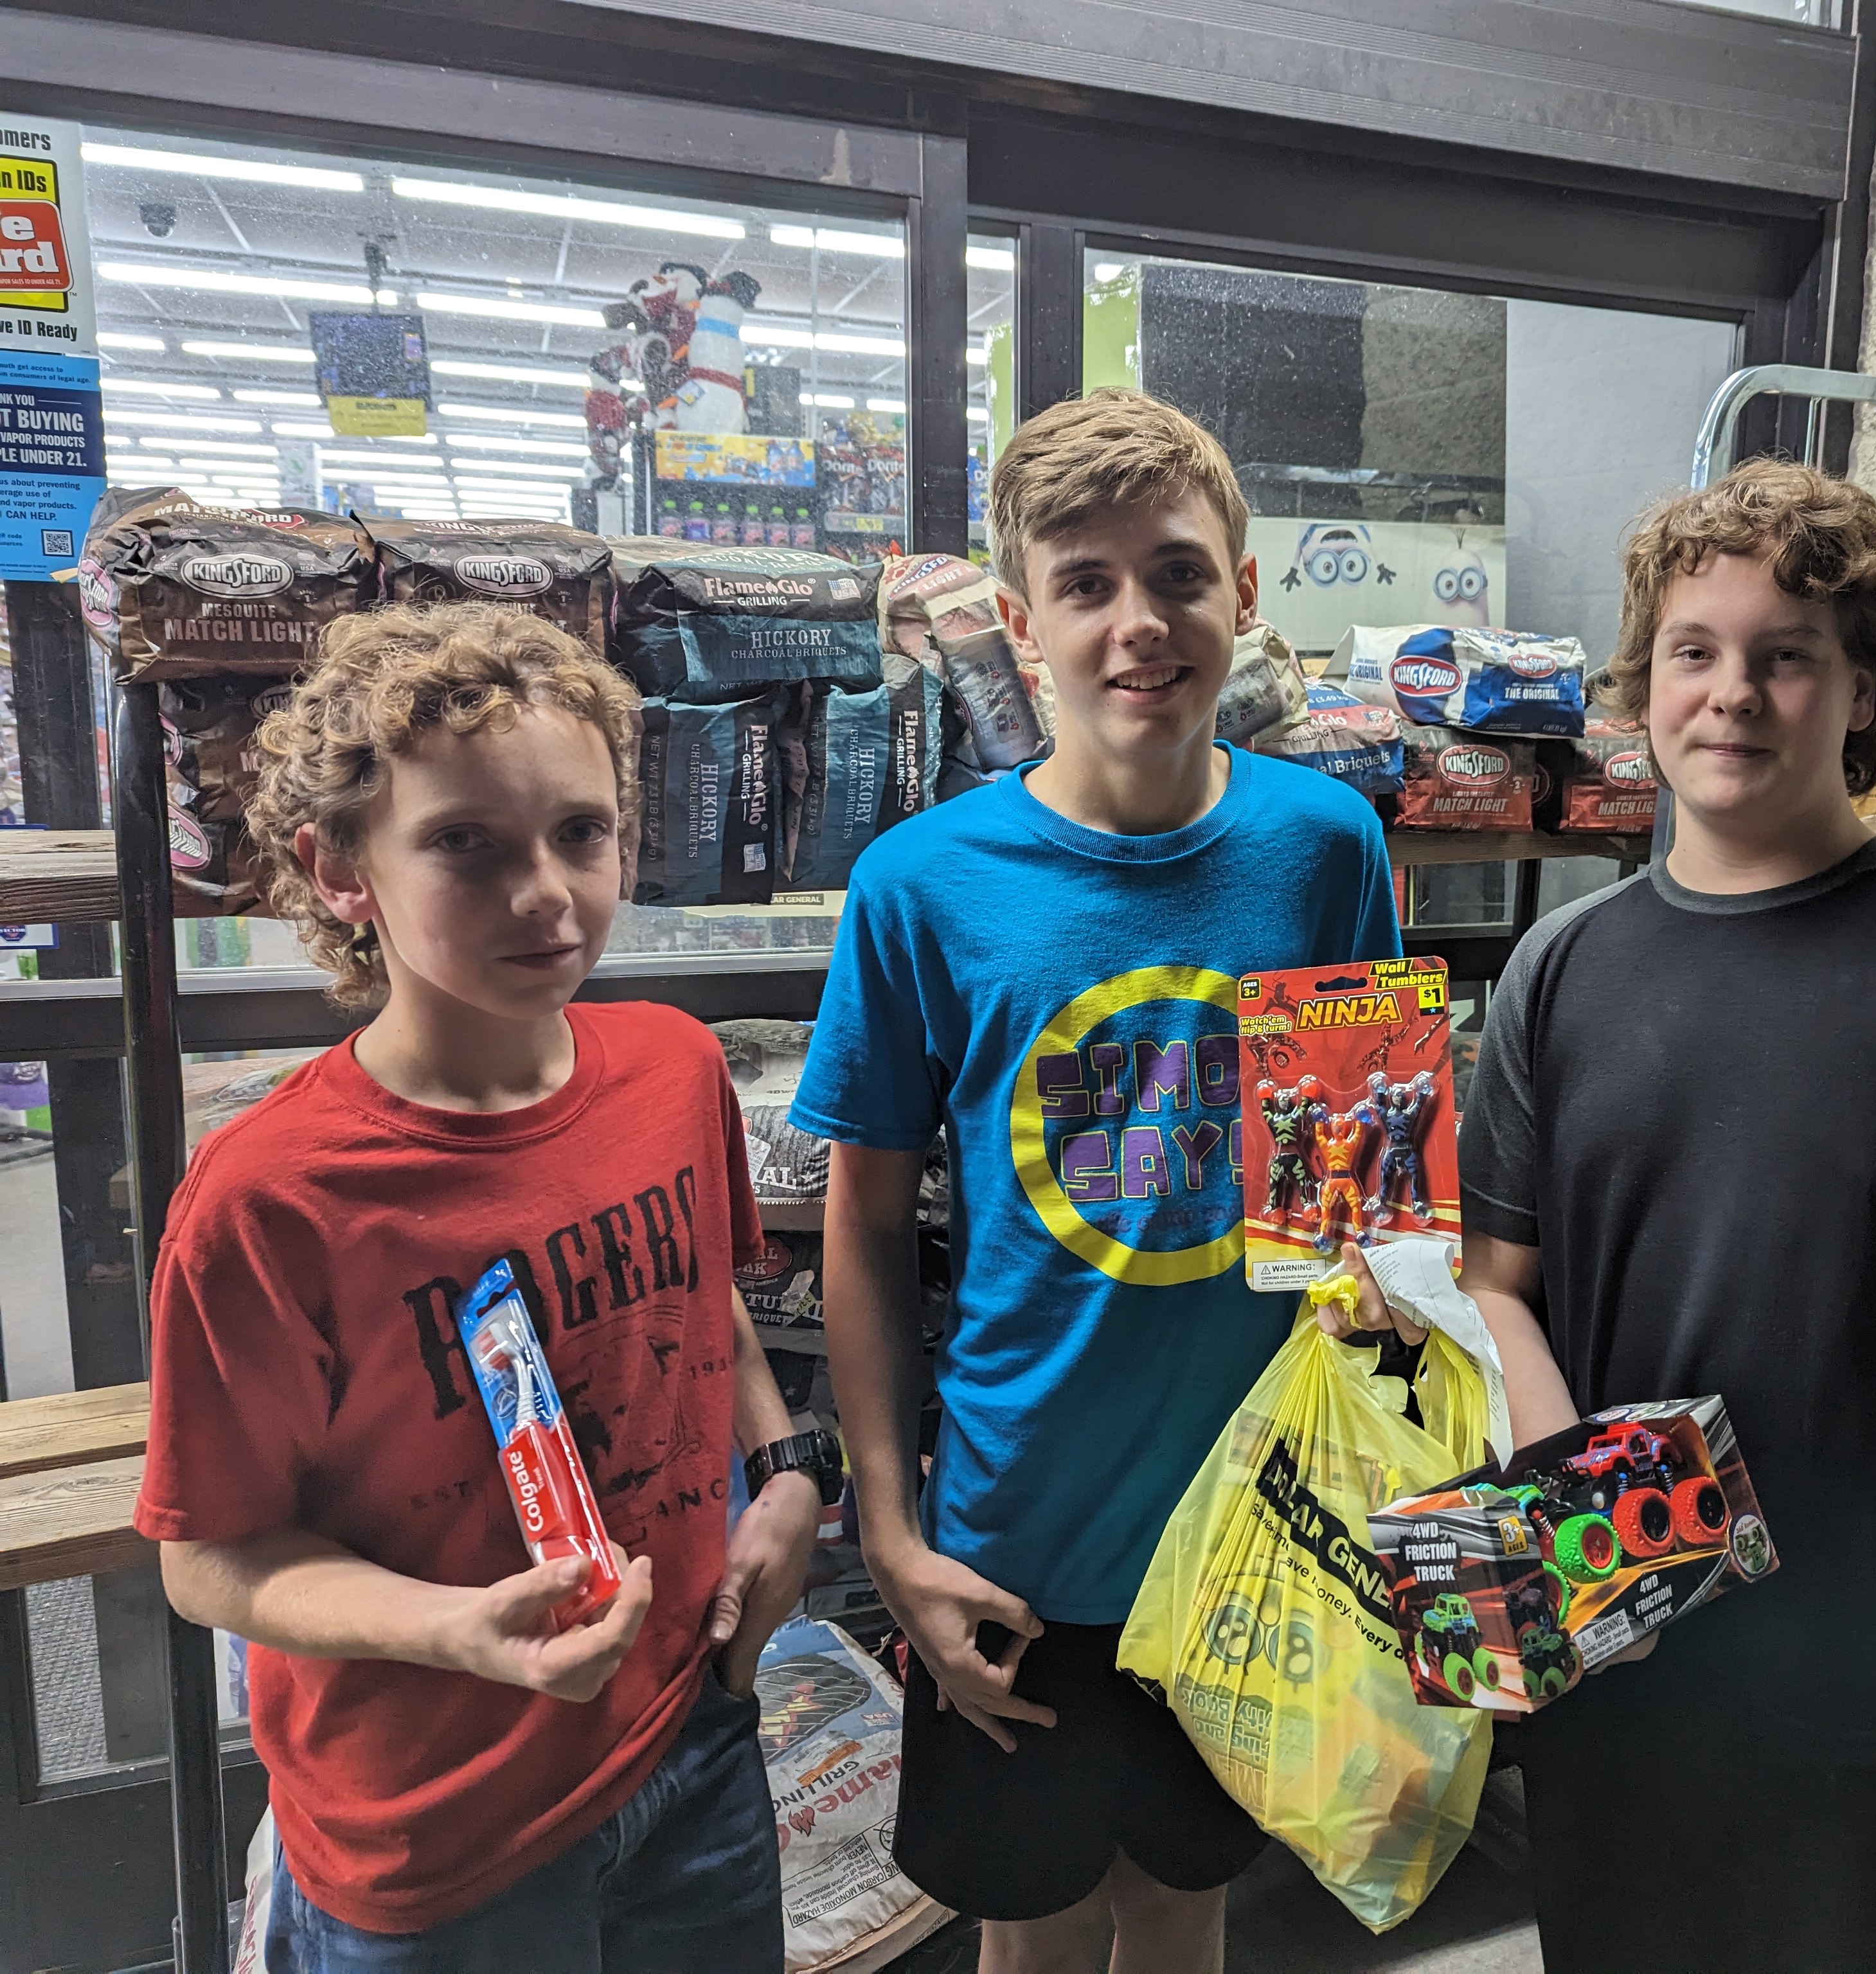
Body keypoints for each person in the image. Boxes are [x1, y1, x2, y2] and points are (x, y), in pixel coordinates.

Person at [1441, 461, 1876, 1973]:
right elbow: (1494, 1286)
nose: (1734, 694)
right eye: (1694, 651)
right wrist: (1565, 1537)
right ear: (1643, 686)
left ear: (1864, 695)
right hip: (1626, 1703)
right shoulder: (1562, 972)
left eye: (1788, 656)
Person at [792, 388, 1401, 1971]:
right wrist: (891, 1535)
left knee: (1187, 1908)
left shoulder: (1329, 848)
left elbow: (1359, 1211)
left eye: (1179, 574)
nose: (1139, 621)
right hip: (1015, 1545)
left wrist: (1379, 1482)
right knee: (1037, 1929)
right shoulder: (919, 887)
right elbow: (864, 1226)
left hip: (1251, 1531)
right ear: (1022, 625)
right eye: (1086, 584)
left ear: (1243, 595)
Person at [134, 605, 828, 1973]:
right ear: (341, 870)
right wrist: (460, 1634)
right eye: (466, 843)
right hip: (438, 1835)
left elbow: (703, 1297)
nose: (547, 893)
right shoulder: (273, 1198)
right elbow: (208, 1556)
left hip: (690, 1736)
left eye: (581, 832)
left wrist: (788, 1466)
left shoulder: (674, 1067)